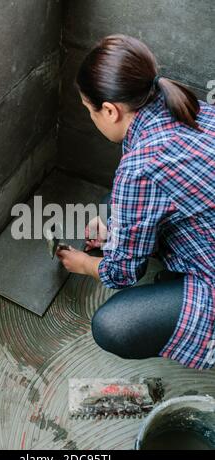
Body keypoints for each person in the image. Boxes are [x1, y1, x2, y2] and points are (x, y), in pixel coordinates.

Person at [57, 34, 215, 370]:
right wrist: (116, 223)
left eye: (89, 110)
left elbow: (123, 273)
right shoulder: (191, 108)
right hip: (206, 234)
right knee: (110, 203)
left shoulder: (140, 167)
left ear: (111, 110)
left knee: (115, 326)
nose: (91, 118)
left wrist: (84, 264)